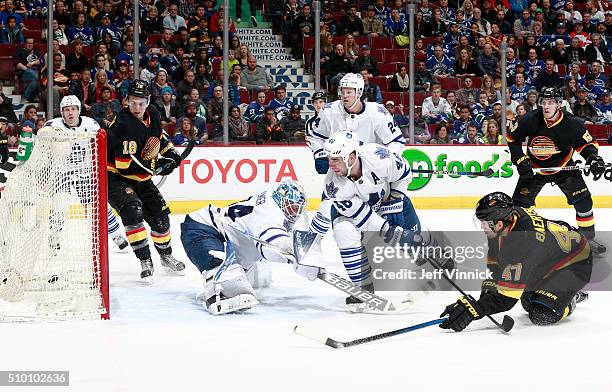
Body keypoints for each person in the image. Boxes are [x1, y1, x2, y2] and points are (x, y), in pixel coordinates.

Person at [439, 192, 592, 332]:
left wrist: (475, 309)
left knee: (541, 313)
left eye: (485, 223)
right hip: (550, 257)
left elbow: (507, 300)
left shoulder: (522, 242)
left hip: (576, 262)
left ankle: (570, 299)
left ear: (498, 224)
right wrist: (488, 293)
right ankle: (558, 293)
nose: (482, 226)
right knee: (527, 301)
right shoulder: (509, 217)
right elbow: (497, 261)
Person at [314, 132, 430, 310]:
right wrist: (390, 231)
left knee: (413, 239)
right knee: (343, 232)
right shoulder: (333, 185)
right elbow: (363, 217)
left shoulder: (378, 156)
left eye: (335, 159)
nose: (330, 165)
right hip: (358, 214)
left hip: (387, 199)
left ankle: (432, 260)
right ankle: (364, 288)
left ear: (351, 156)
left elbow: (404, 173)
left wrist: (394, 201)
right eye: (329, 159)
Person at [180, 180, 306, 315]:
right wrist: (296, 254)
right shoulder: (268, 213)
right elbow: (273, 245)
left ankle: (225, 284)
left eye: (297, 208)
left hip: (234, 241)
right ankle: (215, 295)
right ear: (281, 201)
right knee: (223, 270)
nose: (295, 213)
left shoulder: (271, 197)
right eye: (292, 207)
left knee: (255, 281)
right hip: (204, 227)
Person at [507, 87, 606, 255]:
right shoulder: (530, 119)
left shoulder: (572, 123)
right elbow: (512, 138)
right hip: (534, 169)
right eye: (544, 102)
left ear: (559, 104)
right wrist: (519, 159)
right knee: (519, 206)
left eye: (551, 103)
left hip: (564, 167)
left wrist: (593, 158)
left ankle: (587, 239)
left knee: (584, 202)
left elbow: (586, 144)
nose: (546, 106)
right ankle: (517, 240)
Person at [106, 80, 186, 282]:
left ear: (148, 101)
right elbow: (126, 165)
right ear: (127, 102)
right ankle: (145, 260)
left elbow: (158, 139)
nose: (137, 108)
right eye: (133, 103)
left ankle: (166, 256)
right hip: (117, 178)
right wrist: (159, 166)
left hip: (140, 177)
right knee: (133, 212)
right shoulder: (122, 125)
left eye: (141, 103)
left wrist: (171, 155)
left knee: (161, 218)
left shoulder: (154, 115)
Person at [44, 95, 129, 252]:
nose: (70, 113)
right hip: (62, 174)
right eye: (67, 110)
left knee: (100, 205)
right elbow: (42, 143)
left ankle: (116, 235)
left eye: (73, 109)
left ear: (79, 110)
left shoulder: (91, 125)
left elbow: (104, 144)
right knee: (59, 204)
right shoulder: (52, 126)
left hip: (85, 173)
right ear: (62, 112)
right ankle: (54, 236)